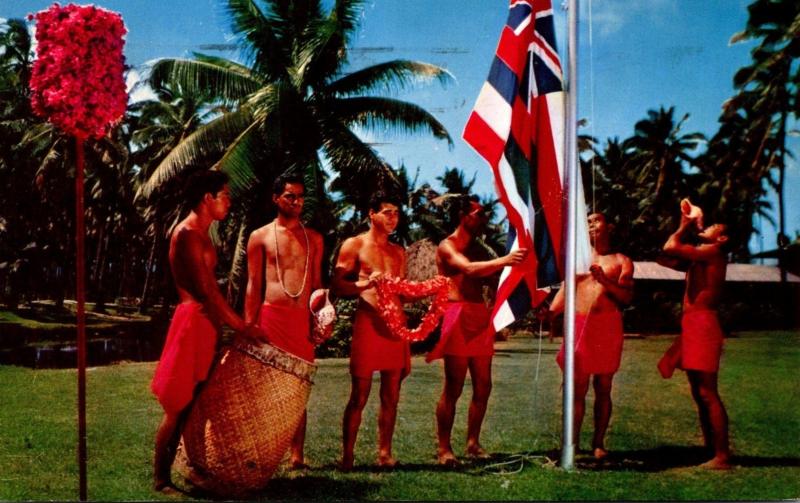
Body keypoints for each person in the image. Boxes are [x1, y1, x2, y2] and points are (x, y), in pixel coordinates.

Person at [150, 169, 267, 493]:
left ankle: (193, 468)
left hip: (204, 325)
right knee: (177, 408)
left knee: (195, 407)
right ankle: (161, 480)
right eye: (225, 194)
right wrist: (243, 326)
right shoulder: (187, 234)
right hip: (192, 324)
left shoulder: (202, 233)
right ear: (207, 198)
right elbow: (208, 293)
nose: (229, 201)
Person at [428, 195, 528, 466]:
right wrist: (506, 260)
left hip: (478, 315)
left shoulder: (480, 249)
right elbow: (469, 270)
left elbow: (493, 278)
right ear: (463, 216)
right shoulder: (447, 245)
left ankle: (473, 443)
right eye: (479, 213)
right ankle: (444, 449)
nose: (484, 218)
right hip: (457, 313)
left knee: (484, 386)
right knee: (454, 385)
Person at [243, 173, 327, 470]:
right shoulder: (260, 236)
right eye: (290, 196)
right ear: (276, 198)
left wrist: (322, 318)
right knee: (264, 389)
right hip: (270, 318)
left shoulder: (314, 238)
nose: (297, 202)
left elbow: (317, 285)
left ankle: (296, 456)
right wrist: (247, 326)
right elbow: (253, 285)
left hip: (301, 321)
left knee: (297, 388)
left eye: (301, 196)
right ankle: (259, 453)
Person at [332, 192, 407, 470]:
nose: (393, 218)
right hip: (368, 324)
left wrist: (433, 291)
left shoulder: (399, 251)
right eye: (387, 212)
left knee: (392, 395)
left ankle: (385, 453)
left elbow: (403, 292)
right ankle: (347, 456)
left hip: (395, 327)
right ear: (371, 214)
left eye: (396, 213)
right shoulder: (355, 245)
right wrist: (364, 285)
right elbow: (337, 285)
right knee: (359, 395)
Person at [550, 212, 633, 460]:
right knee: (576, 388)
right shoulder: (576, 259)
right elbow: (565, 292)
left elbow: (627, 297)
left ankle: (598, 442)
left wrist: (605, 280)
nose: (591, 225)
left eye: (596, 220)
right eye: (587, 222)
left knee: (603, 387)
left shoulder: (622, 260)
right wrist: (550, 312)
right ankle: (572, 443)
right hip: (578, 325)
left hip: (607, 325)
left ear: (610, 226)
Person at [657, 201, 732, 469]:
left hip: (702, 324)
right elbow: (664, 257)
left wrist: (685, 224)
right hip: (693, 324)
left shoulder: (711, 251)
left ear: (721, 238)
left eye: (713, 227)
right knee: (698, 391)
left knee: (707, 391)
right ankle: (711, 448)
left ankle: (722, 456)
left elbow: (669, 247)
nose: (708, 226)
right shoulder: (703, 256)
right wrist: (693, 226)